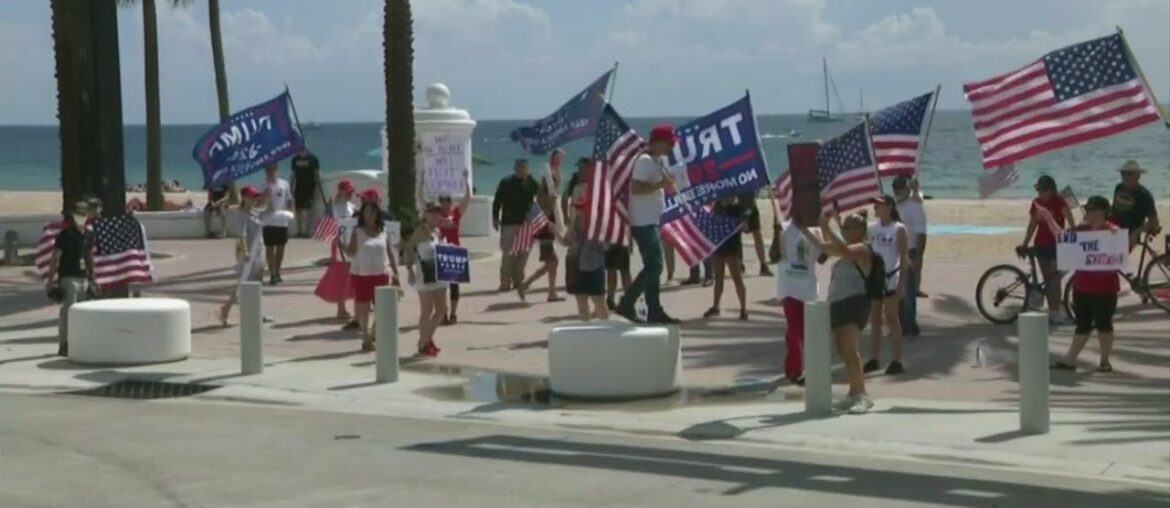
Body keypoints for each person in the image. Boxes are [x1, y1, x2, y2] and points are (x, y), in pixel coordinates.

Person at [799, 212, 875, 414]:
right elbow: (824, 247)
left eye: (848, 228)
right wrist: (805, 229)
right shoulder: (845, 249)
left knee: (850, 350)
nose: (845, 231)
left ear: (860, 230)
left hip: (855, 301)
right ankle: (853, 392)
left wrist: (828, 227)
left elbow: (845, 251)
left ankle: (862, 395)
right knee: (843, 349)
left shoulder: (862, 249)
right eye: (845, 227)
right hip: (839, 302)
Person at [1045, 196, 1121, 372]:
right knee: (1082, 324)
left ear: (1102, 211)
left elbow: (1118, 252)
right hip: (1082, 286)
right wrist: (1049, 218)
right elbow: (1061, 237)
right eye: (1087, 209)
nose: (1087, 213)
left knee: (1104, 324)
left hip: (1105, 288)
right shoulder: (1082, 230)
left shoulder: (1112, 231)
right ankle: (1070, 360)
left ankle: (1104, 360)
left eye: (1092, 210)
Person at [615, 124, 681, 324]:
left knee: (653, 266)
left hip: (651, 220)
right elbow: (636, 188)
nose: (671, 146)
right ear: (659, 142)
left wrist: (665, 187)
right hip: (643, 222)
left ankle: (631, 303)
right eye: (669, 142)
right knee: (655, 265)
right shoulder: (644, 161)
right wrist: (661, 185)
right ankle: (649, 308)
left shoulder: (657, 161)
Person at [340, 199, 401, 352]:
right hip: (362, 274)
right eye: (366, 211)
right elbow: (352, 252)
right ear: (362, 214)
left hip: (381, 274)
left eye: (373, 211)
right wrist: (341, 245)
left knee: (383, 309)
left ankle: (374, 332)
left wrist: (396, 272)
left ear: (377, 214)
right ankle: (366, 339)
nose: (370, 215)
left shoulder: (383, 230)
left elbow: (389, 253)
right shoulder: (357, 231)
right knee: (364, 309)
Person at [1019, 175, 1076, 326]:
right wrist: (1025, 243)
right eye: (1038, 190)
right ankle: (1052, 311)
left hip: (1058, 245)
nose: (1040, 193)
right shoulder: (1036, 203)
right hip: (1041, 244)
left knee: (1054, 280)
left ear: (1052, 189)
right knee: (1048, 280)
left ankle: (1055, 312)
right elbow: (1032, 224)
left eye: (1043, 190)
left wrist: (1073, 231)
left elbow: (1070, 219)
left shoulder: (1059, 201)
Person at [865, 195, 910, 375]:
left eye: (880, 205)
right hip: (875, 278)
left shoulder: (899, 229)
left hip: (891, 277)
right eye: (875, 205)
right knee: (875, 319)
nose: (876, 208)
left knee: (891, 318)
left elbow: (904, 258)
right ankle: (874, 358)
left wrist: (902, 286)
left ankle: (897, 360)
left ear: (890, 206)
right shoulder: (871, 229)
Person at [46, 201, 98, 356]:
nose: (80, 217)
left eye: (83, 213)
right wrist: (50, 280)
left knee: (83, 313)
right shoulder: (65, 235)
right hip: (68, 278)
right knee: (68, 312)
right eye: (78, 213)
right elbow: (55, 258)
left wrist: (93, 278)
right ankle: (64, 344)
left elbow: (89, 257)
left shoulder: (89, 235)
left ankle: (79, 343)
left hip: (84, 278)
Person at [778, 218, 825, 386]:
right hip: (788, 287)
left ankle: (811, 369)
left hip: (807, 288)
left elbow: (823, 257)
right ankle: (794, 369)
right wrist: (780, 235)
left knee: (806, 331)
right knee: (794, 329)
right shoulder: (783, 228)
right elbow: (774, 255)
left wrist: (812, 233)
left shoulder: (816, 229)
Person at [405, 203, 450, 357]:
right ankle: (424, 342)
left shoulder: (437, 231)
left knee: (441, 309)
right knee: (427, 310)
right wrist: (409, 269)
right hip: (424, 274)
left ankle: (426, 339)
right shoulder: (420, 230)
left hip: (439, 273)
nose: (435, 216)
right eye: (432, 213)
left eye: (437, 213)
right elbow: (409, 249)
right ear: (425, 215)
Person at [520, 150, 566, 303]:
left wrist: (556, 165)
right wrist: (550, 208)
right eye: (557, 157)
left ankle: (549, 291)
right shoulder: (545, 187)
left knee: (551, 263)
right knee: (552, 262)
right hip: (545, 227)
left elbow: (555, 187)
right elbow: (542, 206)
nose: (559, 160)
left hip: (548, 225)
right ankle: (527, 285)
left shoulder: (551, 182)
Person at [218, 186, 265, 326]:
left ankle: (255, 313)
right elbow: (242, 234)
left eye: (255, 196)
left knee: (257, 284)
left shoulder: (254, 213)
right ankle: (225, 309)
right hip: (249, 253)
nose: (254, 199)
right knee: (244, 284)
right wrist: (245, 252)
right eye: (251, 196)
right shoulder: (242, 214)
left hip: (258, 251)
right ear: (244, 197)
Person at [492, 159, 540, 293]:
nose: (522, 170)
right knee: (508, 254)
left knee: (523, 254)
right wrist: (495, 218)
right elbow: (497, 200)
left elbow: (542, 196)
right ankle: (505, 282)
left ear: (528, 168)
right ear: (515, 168)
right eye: (519, 167)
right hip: (509, 223)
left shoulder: (532, 182)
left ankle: (518, 280)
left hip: (527, 224)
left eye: (524, 167)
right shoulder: (506, 182)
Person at [561, 196, 609, 320]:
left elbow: (606, 246)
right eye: (578, 208)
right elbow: (566, 241)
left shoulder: (598, 225)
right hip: (576, 267)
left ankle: (606, 332)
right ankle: (586, 330)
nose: (580, 211)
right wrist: (555, 230)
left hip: (594, 267)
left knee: (599, 302)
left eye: (583, 208)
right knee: (581, 302)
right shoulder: (575, 225)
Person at [704, 196, 751, 320]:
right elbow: (710, 224)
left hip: (733, 248)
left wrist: (743, 222)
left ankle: (743, 309)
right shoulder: (717, 208)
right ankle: (716, 306)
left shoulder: (739, 209)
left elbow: (746, 229)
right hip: (719, 246)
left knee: (737, 278)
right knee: (718, 277)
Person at [893, 176, 929, 335]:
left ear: (907, 189)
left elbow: (921, 234)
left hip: (910, 251)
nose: (897, 191)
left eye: (900, 188)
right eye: (895, 188)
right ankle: (898, 324)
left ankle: (909, 326)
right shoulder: (893, 206)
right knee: (895, 290)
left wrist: (919, 256)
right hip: (893, 252)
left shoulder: (914, 207)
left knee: (908, 291)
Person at [438, 176, 472, 324]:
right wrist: (421, 182)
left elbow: (468, 198)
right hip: (440, 252)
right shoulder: (436, 216)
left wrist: (466, 181)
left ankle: (453, 314)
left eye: (448, 200)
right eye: (443, 201)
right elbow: (421, 201)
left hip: (455, 252)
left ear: (451, 202)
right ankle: (443, 313)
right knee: (441, 287)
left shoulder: (456, 213)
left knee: (454, 286)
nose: (445, 203)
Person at [1110, 160, 1160, 252]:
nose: (1125, 177)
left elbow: (1154, 221)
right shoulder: (1119, 188)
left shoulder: (1144, 195)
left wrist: (1137, 232)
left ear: (1138, 176)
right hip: (1112, 229)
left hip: (1129, 233)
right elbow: (1114, 209)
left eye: (1128, 174)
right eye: (1122, 173)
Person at [329, 180, 359, 326]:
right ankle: (340, 308)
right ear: (340, 191)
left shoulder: (352, 207)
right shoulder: (336, 208)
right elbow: (334, 226)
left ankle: (347, 306)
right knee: (342, 277)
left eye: (351, 191)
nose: (349, 194)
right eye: (347, 191)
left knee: (352, 276)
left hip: (351, 243)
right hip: (341, 244)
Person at [260, 164, 293, 285]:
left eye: (272, 169)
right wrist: (265, 196)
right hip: (268, 220)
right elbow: (259, 202)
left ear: (277, 170)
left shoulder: (284, 184)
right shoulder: (263, 185)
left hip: (281, 220)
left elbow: (289, 199)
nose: (270, 172)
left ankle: (278, 271)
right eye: (268, 170)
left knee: (281, 247)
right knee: (270, 247)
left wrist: (290, 211)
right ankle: (272, 272)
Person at [740, 191, 774, 277]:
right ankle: (739, 264)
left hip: (751, 205)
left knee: (757, 234)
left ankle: (763, 265)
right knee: (736, 236)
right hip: (736, 206)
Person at [291, 148, 321, 238]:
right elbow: (293, 174)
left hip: (310, 188)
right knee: (298, 210)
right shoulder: (295, 159)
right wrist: (291, 186)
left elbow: (316, 175)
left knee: (309, 210)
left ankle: (308, 231)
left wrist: (316, 189)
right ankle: (299, 231)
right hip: (298, 188)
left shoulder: (313, 159)